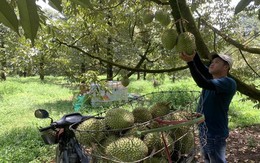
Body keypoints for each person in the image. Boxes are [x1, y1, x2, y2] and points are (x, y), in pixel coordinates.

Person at [179, 51, 237, 163]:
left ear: (226, 67)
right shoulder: (212, 79)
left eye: (216, 62)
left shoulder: (228, 83)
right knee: (207, 159)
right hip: (204, 130)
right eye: (212, 62)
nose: (212, 64)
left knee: (217, 160)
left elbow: (202, 82)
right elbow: (201, 68)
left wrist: (190, 62)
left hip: (215, 132)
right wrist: (193, 52)